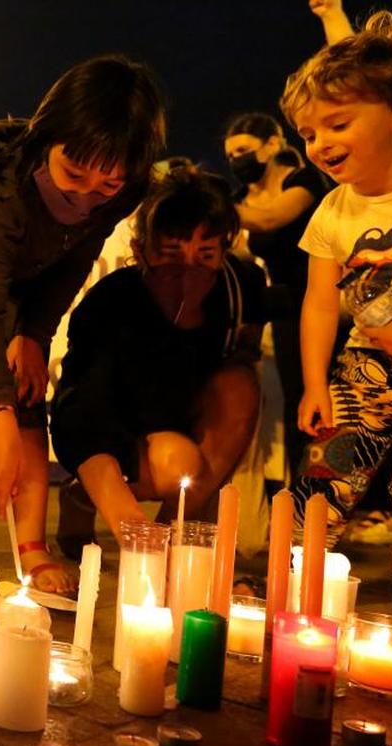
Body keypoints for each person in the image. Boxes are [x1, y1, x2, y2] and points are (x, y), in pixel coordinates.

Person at [0, 55, 166, 595]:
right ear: (48, 135)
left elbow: (76, 258)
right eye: (74, 174)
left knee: (27, 394)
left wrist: (34, 336)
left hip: (32, 282)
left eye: (107, 185)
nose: (85, 195)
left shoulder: (123, 189)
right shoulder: (0, 185)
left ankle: (31, 547)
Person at [282, 11, 392, 619]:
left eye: (337, 124)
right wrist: (316, 383)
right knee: (322, 481)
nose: (320, 146)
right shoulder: (332, 212)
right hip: (359, 374)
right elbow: (319, 302)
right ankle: (292, 584)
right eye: (310, 135)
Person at [51, 166, 266, 537]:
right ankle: (83, 495)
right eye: (171, 255)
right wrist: (126, 522)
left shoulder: (237, 291)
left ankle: (170, 535)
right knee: (170, 463)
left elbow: (233, 406)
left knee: (240, 384)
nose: (188, 272)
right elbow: (82, 414)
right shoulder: (110, 303)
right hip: (118, 433)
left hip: (182, 425)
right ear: (140, 250)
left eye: (205, 256)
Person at [224, 112, 329, 474]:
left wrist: (217, 207)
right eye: (230, 154)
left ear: (272, 144)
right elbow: (236, 250)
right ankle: (301, 488)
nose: (237, 160)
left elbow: (271, 218)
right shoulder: (242, 198)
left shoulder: (304, 180)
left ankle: (356, 497)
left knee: (327, 395)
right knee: (293, 399)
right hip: (283, 305)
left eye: (244, 150)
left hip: (322, 297)